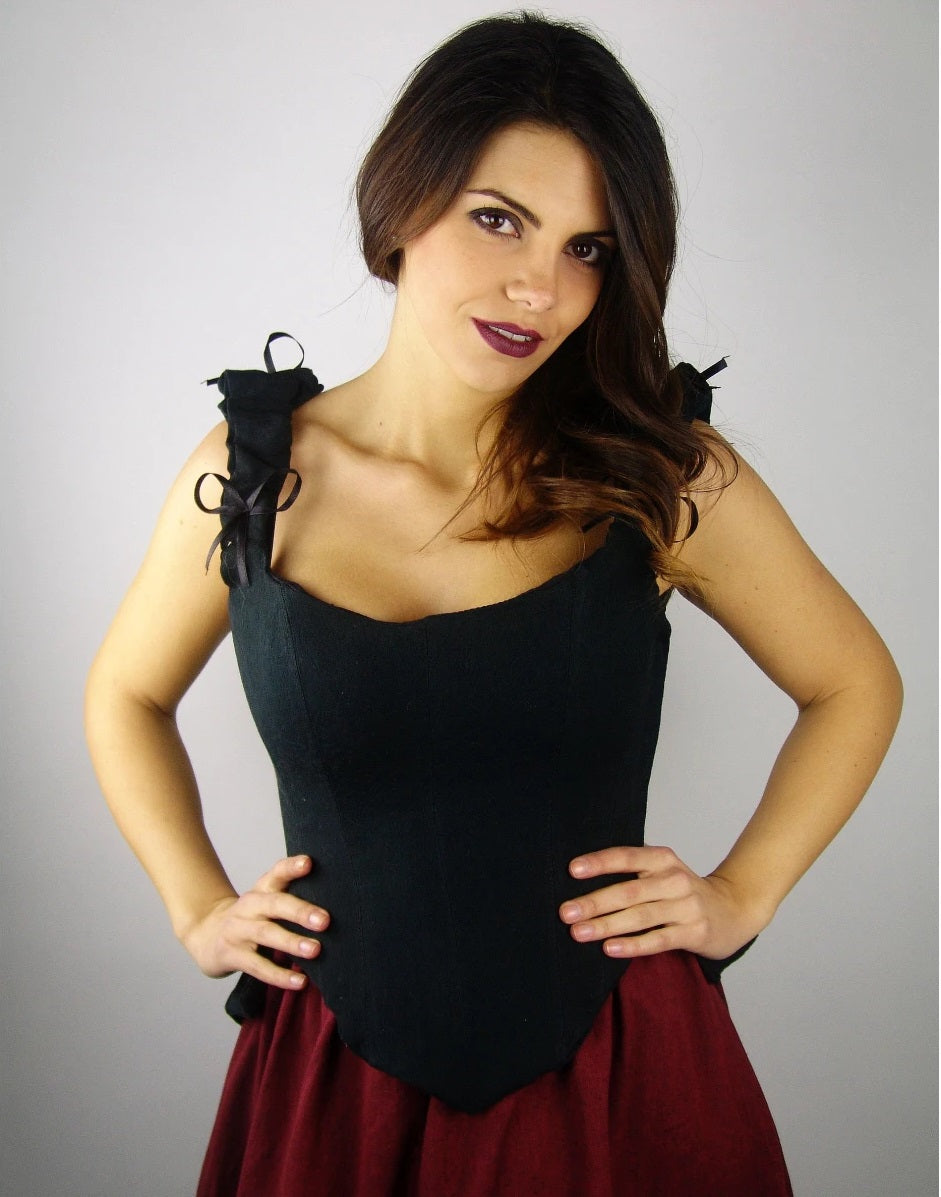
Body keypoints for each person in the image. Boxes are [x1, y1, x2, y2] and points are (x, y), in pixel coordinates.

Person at [83, 11, 903, 1196]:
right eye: (497, 218)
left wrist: (740, 895)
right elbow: (125, 693)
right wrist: (195, 907)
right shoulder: (256, 477)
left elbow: (852, 682)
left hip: (621, 1080)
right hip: (334, 1089)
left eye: (588, 249)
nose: (538, 286)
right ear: (400, 201)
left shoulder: (659, 477)